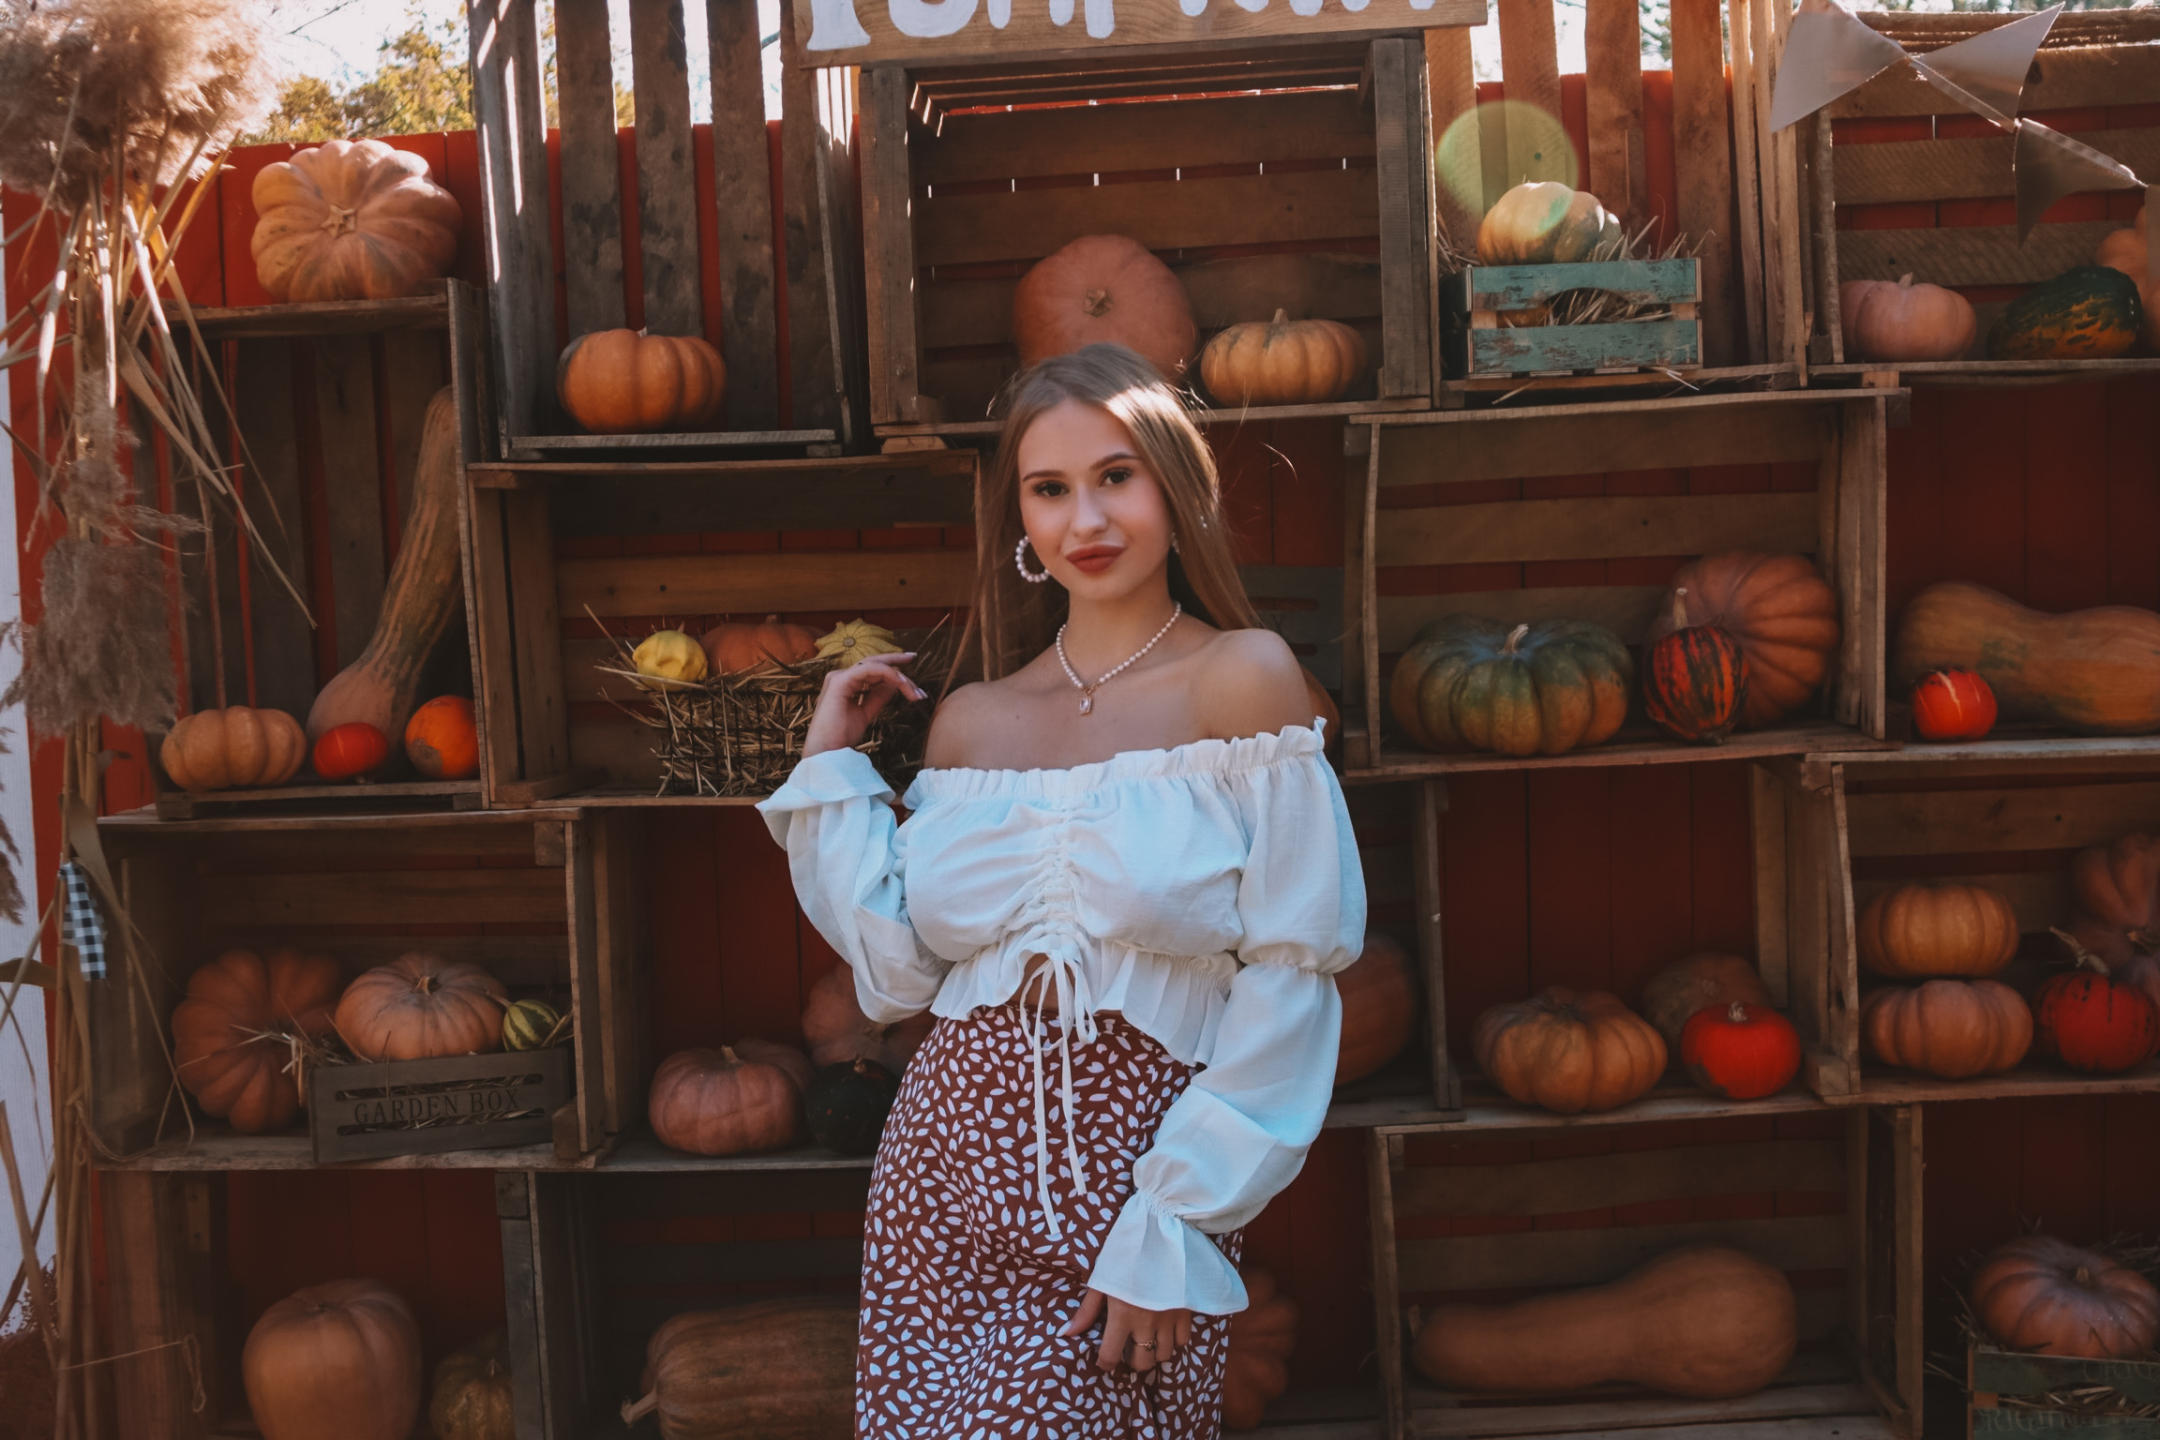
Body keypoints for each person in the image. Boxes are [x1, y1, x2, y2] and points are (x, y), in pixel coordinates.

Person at [756, 343, 1366, 1438]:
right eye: (1049, 489)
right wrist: (831, 774)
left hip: (1136, 1183)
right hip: (943, 1175)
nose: (1084, 518)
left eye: (1115, 476)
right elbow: (897, 977)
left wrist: (1173, 1223)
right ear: (1021, 521)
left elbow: (1291, 974)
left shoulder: (1244, 680)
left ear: (1176, 489)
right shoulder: (974, 720)